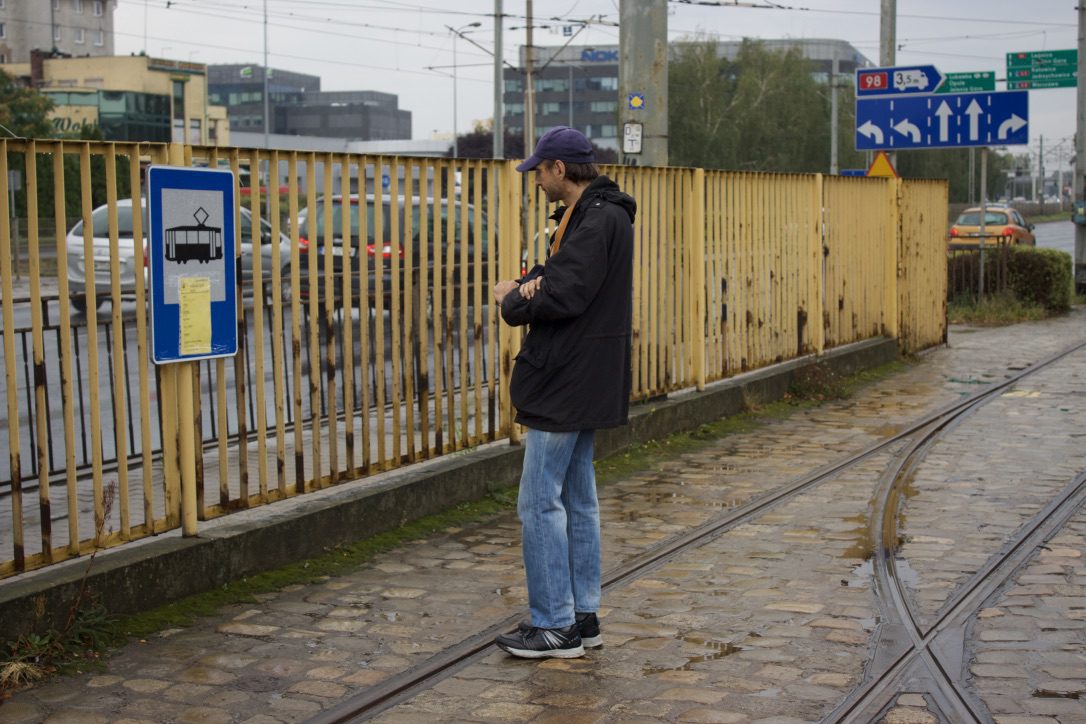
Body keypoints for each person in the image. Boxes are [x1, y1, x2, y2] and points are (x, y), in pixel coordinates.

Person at [491, 126, 637, 659]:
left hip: (566, 377)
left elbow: (564, 292)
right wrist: (532, 281)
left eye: (539, 171)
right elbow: (558, 277)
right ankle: (582, 616)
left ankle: (554, 623)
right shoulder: (596, 215)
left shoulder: (596, 219)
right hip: (586, 375)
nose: (535, 180)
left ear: (559, 169)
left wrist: (512, 299)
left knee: (538, 502)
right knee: (577, 499)